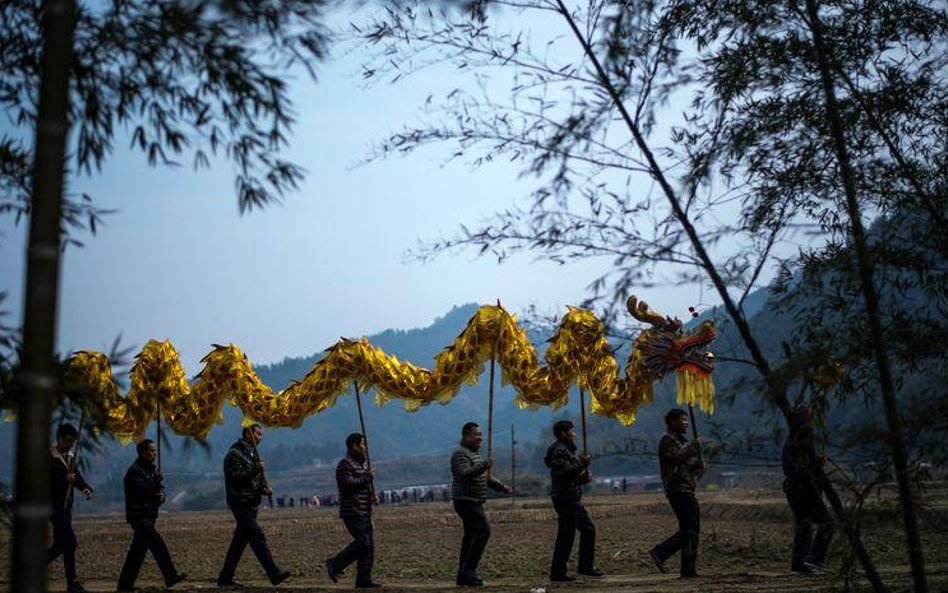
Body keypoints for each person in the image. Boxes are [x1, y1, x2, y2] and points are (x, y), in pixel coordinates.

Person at [217, 424, 290, 587]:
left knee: (239, 542)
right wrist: (256, 470)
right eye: (257, 434)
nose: (260, 437)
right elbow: (236, 479)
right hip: (240, 503)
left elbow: (252, 482)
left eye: (261, 435)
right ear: (248, 435)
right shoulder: (234, 455)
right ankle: (274, 574)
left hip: (251, 503)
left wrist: (263, 489)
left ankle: (225, 577)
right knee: (257, 536)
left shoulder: (251, 454)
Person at [117, 439, 187, 591]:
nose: (155, 454)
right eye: (152, 451)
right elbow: (141, 490)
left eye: (155, 451)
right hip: (139, 516)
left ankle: (125, 584)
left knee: (137, 552)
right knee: (157, 543)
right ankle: (170, 575)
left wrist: (161, 497)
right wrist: (156, 481)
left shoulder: (149, 470)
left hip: (148, 515)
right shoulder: (134, 471)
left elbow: (152, 492)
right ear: (143, 453)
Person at [451, 422, 513, 587]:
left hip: (475, 500)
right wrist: (482, 466)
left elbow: (484, 477)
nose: (480, 438)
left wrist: (502, 487)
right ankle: (469, 570)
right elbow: (462, 475)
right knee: (483, 531)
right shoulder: (460, 455)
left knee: (470, 536)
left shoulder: (476, 455)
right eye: (476, 435)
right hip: (466, 500)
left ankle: (463, 575)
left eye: (480, 434)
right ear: (466, 436)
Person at [649, 408, 704, 579]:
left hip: (686, 487)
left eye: (687, 420)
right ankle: (660, 552)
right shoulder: (667, 441)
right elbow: (674, 458)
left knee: (691, 529)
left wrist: (698, 465)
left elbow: (687, 465)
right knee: (690, 529)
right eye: (682, 420)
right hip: (677, 489)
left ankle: (688, 569)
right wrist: (692, 448)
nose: (686, 423)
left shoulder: (680, 442)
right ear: (673, 422)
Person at [545, 420, 602, 582]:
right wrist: (582, 465)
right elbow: (564, 474)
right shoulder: (559, 452)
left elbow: (571, 477)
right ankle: (558, 573)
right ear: (563, 434)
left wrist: (582, 479)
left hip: (571, 497)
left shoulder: (565, 451)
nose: (575, 435)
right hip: (565, 499)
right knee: (566, 535)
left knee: (588, 529)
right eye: (572, 431)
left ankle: (585, 566)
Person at [783, 403, 835, 575]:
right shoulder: (800, 441)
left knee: (805, 525)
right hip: (803, 488)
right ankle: (811, 561)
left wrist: (815, 462)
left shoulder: (796, 439)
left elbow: (804, 465)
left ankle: (803, 563)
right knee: (825, 523)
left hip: (797, 488)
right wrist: (814, 489)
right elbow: (802, 470)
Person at [325, 432, 381, 588]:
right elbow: (347, 485)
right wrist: (366, 479)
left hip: (364, 510)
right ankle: (335, 563)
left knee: (369, 547)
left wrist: (371, 495)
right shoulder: (345, 464)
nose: (365, 448)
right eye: (362, 444)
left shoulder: (361, 465)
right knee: (363, 544)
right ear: (354, 446)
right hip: (352, 511)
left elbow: (361, 487)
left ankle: (363, 578)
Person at [48, 422, 93, 593]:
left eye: (72, 443)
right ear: (59, 439)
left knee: (60, 544)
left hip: (66, 505)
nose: (69, 445)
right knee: (70, 542)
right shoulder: (48, 456)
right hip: (51, 505)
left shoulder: (70, 456)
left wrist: (86, 488)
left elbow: (76, 477)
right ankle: (72, 582)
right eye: (67, 442)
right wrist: (64, 480)